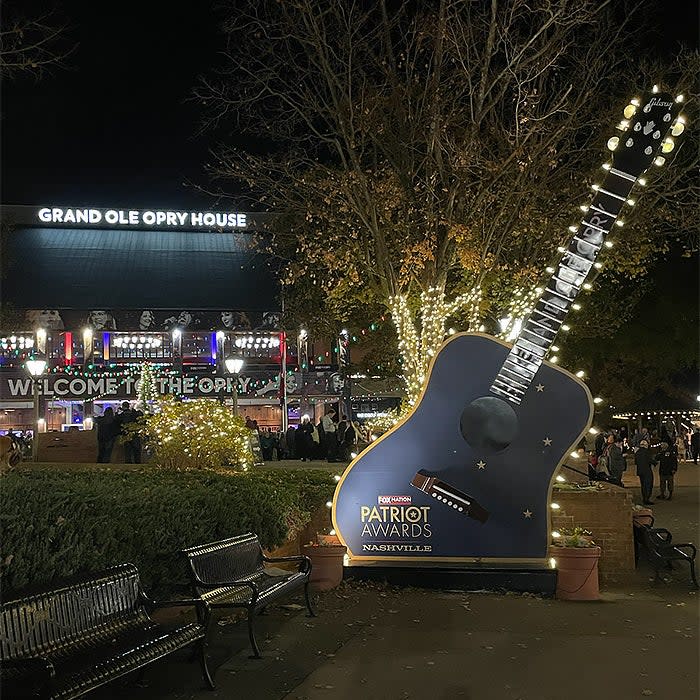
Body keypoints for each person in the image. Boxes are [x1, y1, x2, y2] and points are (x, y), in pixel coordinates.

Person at [634, 439, 656, 505]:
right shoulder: (647, 452)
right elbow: (650, 460)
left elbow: (636, 462)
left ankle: (644, 498)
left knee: (643, 485)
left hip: (640, 471)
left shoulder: (637, 452)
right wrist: (655, 462)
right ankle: (647, 499)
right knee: (648, 485)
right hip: (647, 470)